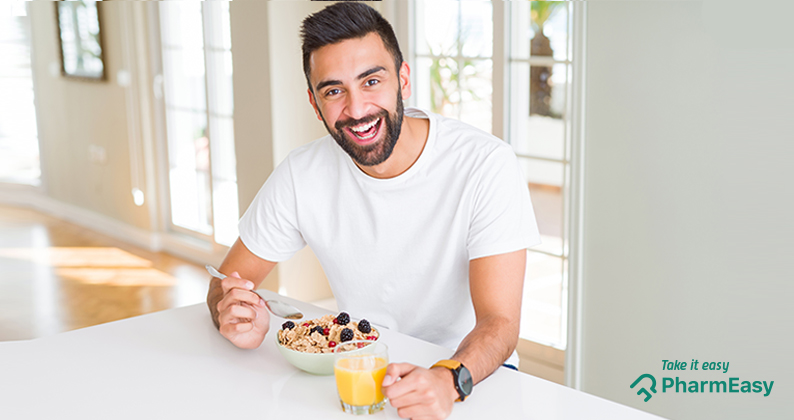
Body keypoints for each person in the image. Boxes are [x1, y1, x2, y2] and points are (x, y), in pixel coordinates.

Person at [207, 2, 540, 419]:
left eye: (371, 81)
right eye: (333, 91)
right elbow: (225, 281)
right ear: (315, 103)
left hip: (469, 374)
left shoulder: (485, 163)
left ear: (403, 79)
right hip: (362, 370)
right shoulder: (301, 174)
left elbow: (501, 322)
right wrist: (233, 313)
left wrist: (446, 379)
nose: (357, 108)